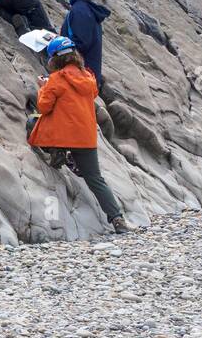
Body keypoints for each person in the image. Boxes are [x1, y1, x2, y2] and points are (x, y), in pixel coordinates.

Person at [28, 36, 128, 233]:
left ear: (54, 59)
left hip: (62, 135)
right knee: (95, 178)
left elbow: (44, 107)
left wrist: (43, 88)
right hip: (85, 137)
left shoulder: (56, 79)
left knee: (33, 122)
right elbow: (81, 94)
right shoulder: (88, 78)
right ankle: (117, 219)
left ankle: (58, 152)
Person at [59, 0, 110, 88]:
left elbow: (81, 44)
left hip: (81, 75)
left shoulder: (80, 10)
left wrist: (57, 45)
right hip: (85, 75)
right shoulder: (84, 8)